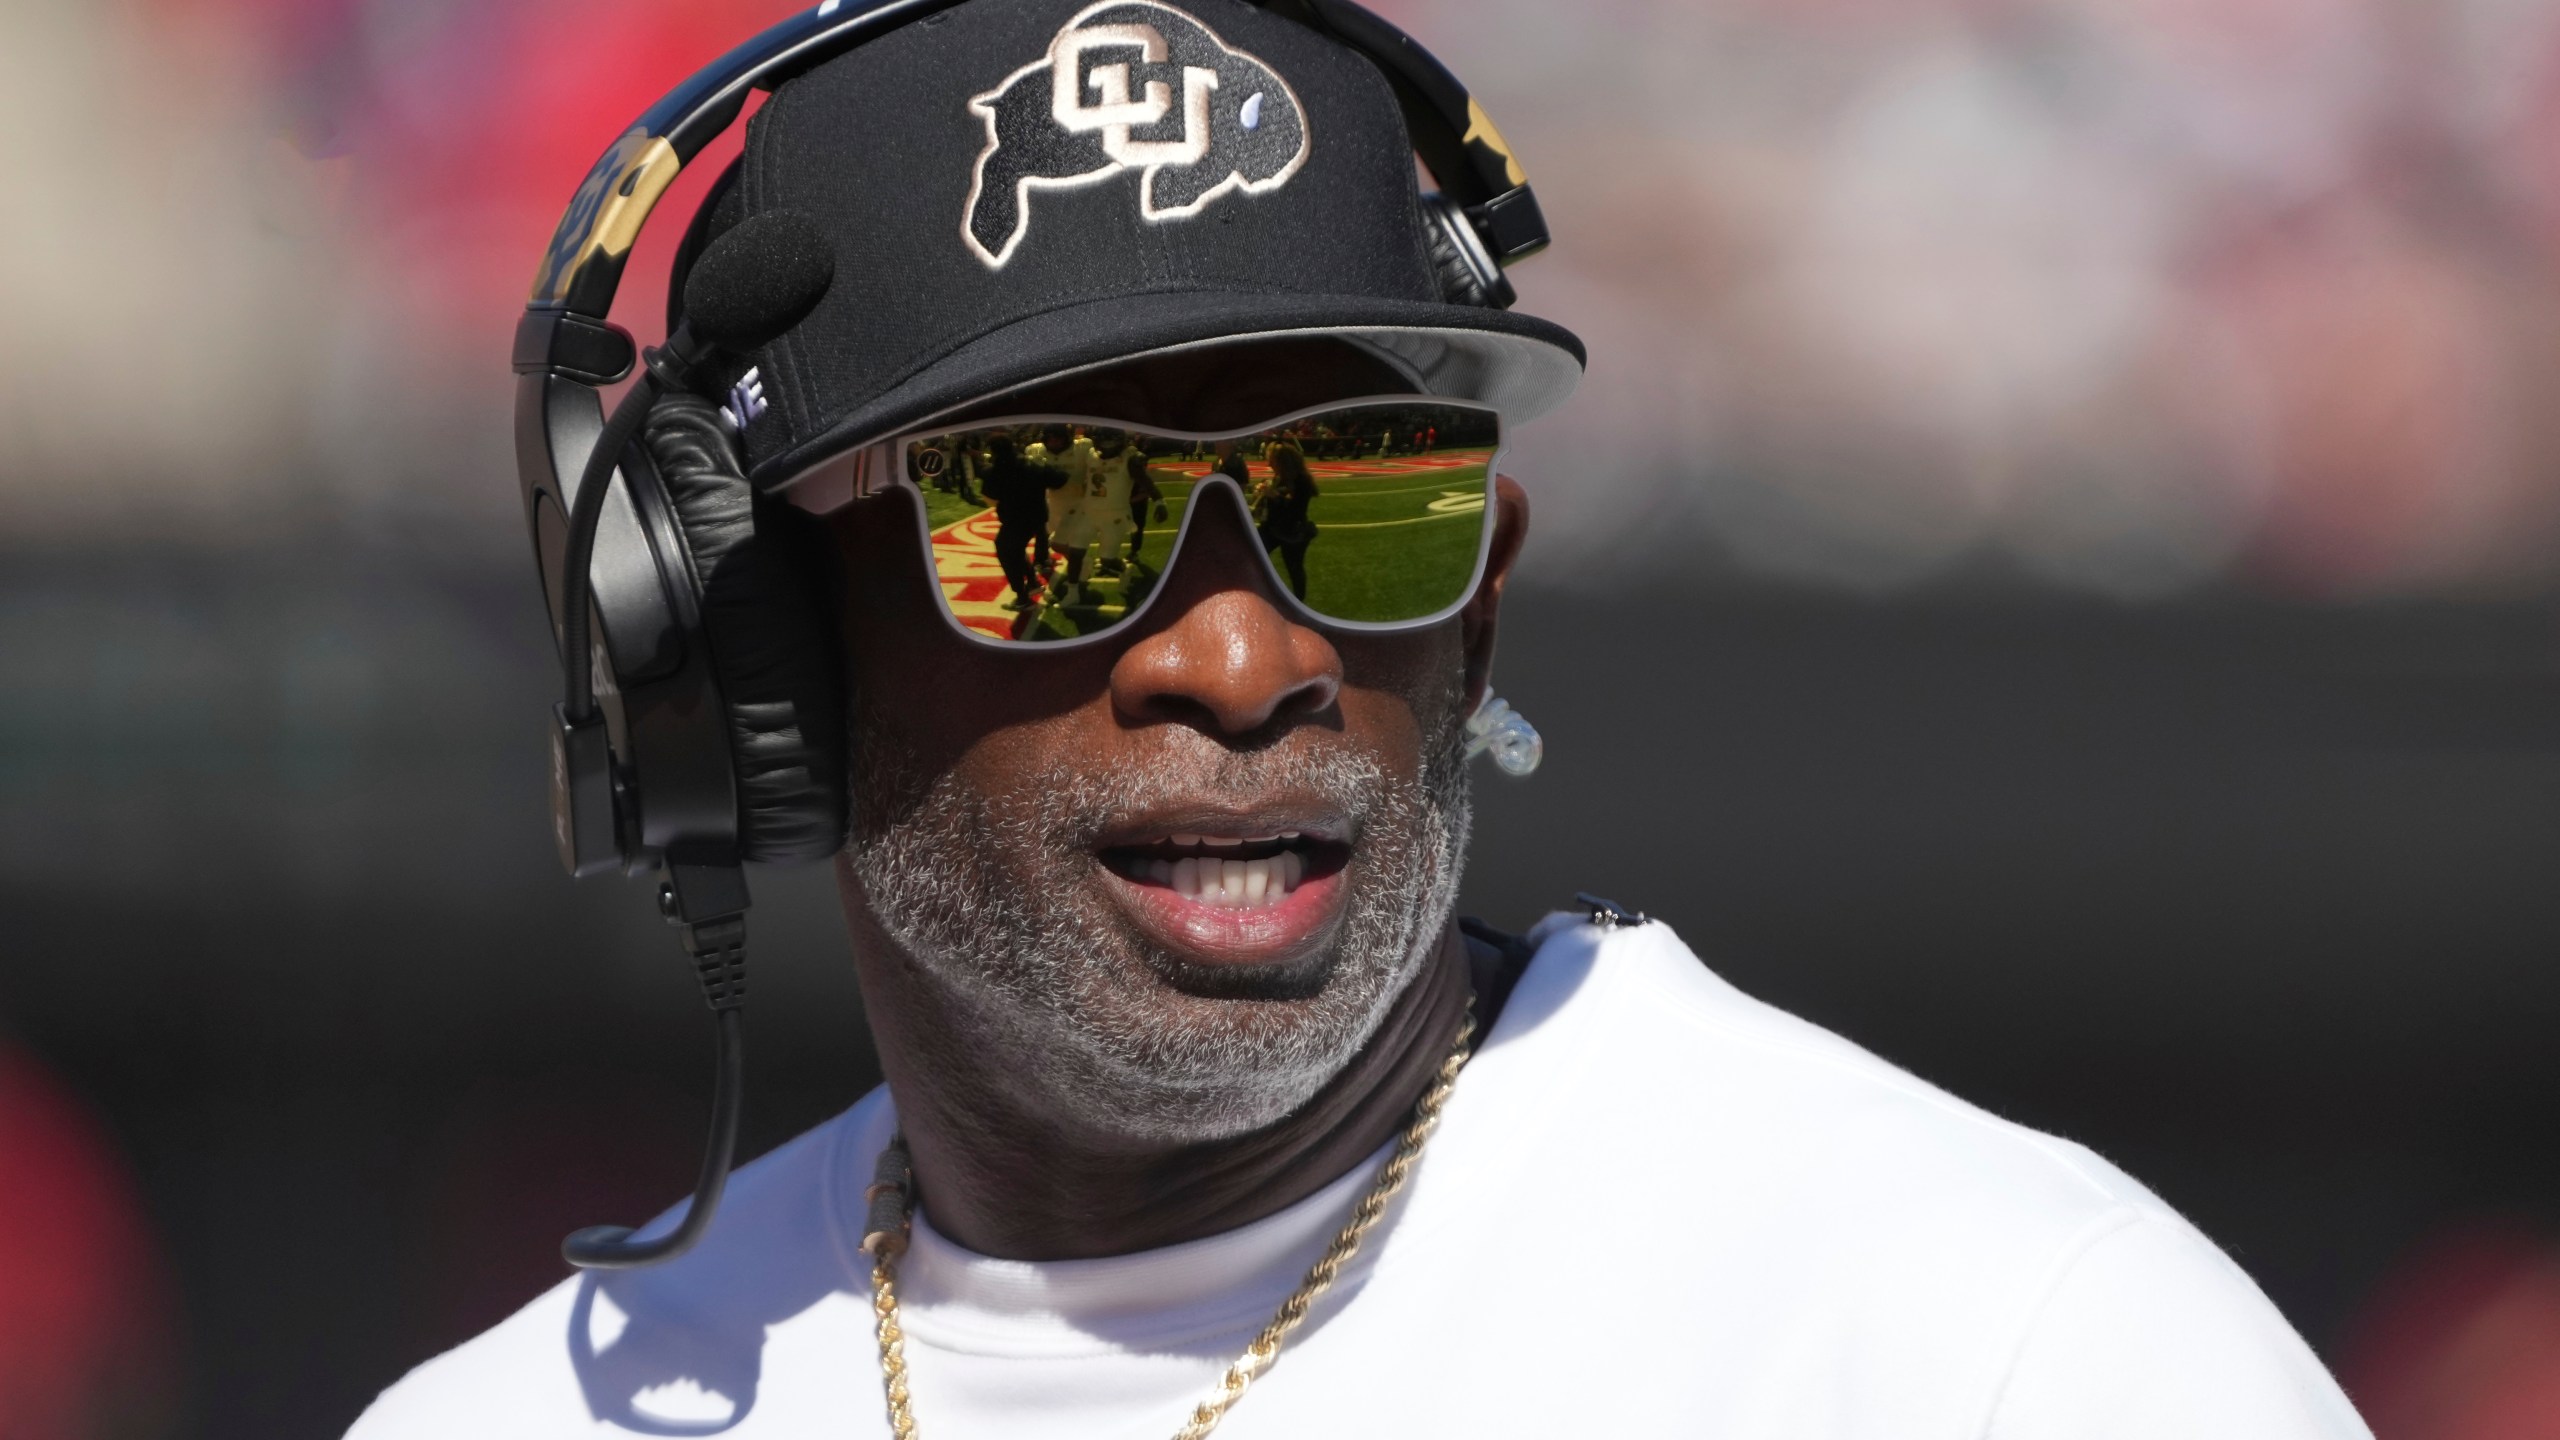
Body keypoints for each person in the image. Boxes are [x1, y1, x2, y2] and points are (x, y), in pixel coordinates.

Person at [353, 1, 2370, 1436]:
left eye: (1365, 499)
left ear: (1479, 601)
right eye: (1060, 513)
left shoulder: (2002, 1355)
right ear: (753, 642)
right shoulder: (521, 1420)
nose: (1240, 660)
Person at [1255, 440, 1319, 601]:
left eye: (1271, 459)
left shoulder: (1301, 481)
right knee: (1253, 554)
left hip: (1292, 530)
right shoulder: (1280, 476)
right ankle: (1260, 592)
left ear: (1282, 461)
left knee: (1294, 568)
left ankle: (1299, 603)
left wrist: (1274, 496)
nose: (1268, 463)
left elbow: (1296, 509)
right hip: (1273, 527)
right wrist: (1260, 492)